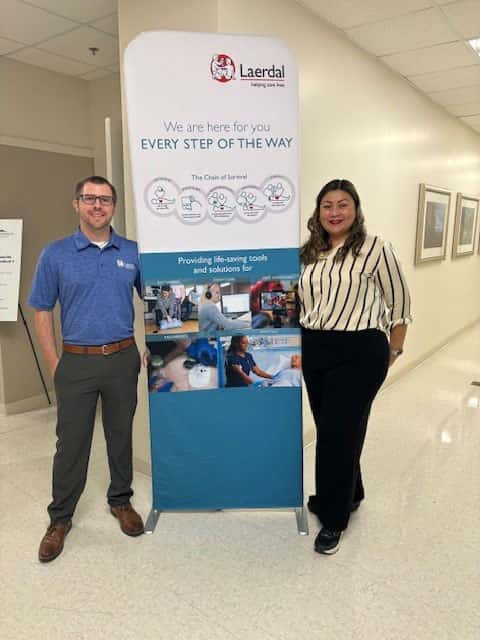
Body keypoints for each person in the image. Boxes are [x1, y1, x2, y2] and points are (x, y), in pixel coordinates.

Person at [29, 175, 144, 563]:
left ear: (114, 206)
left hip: (123, 358)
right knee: (71, 443)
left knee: (120, 434)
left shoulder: (131, 251)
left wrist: (156, 349)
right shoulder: (56, 254)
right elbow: (42, 308)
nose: (98, 205)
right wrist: (54, 363)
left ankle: (120, 501)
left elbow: (157, 301)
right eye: (89, 198)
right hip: (75, 362)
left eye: (105, 199)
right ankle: (60, 519)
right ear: (76, 204)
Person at [299, 179, 412, 555]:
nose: (334, 212)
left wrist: (392, 353)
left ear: (356, 209)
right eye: (327, 205)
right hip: (315, 348)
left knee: (334, 435)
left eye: (342, 204)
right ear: (318, 212)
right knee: (338, 429)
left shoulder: (375, 249)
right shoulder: (309, 253)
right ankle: (351, 491)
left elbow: (399, 306)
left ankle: (333, 519)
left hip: (359, 350)